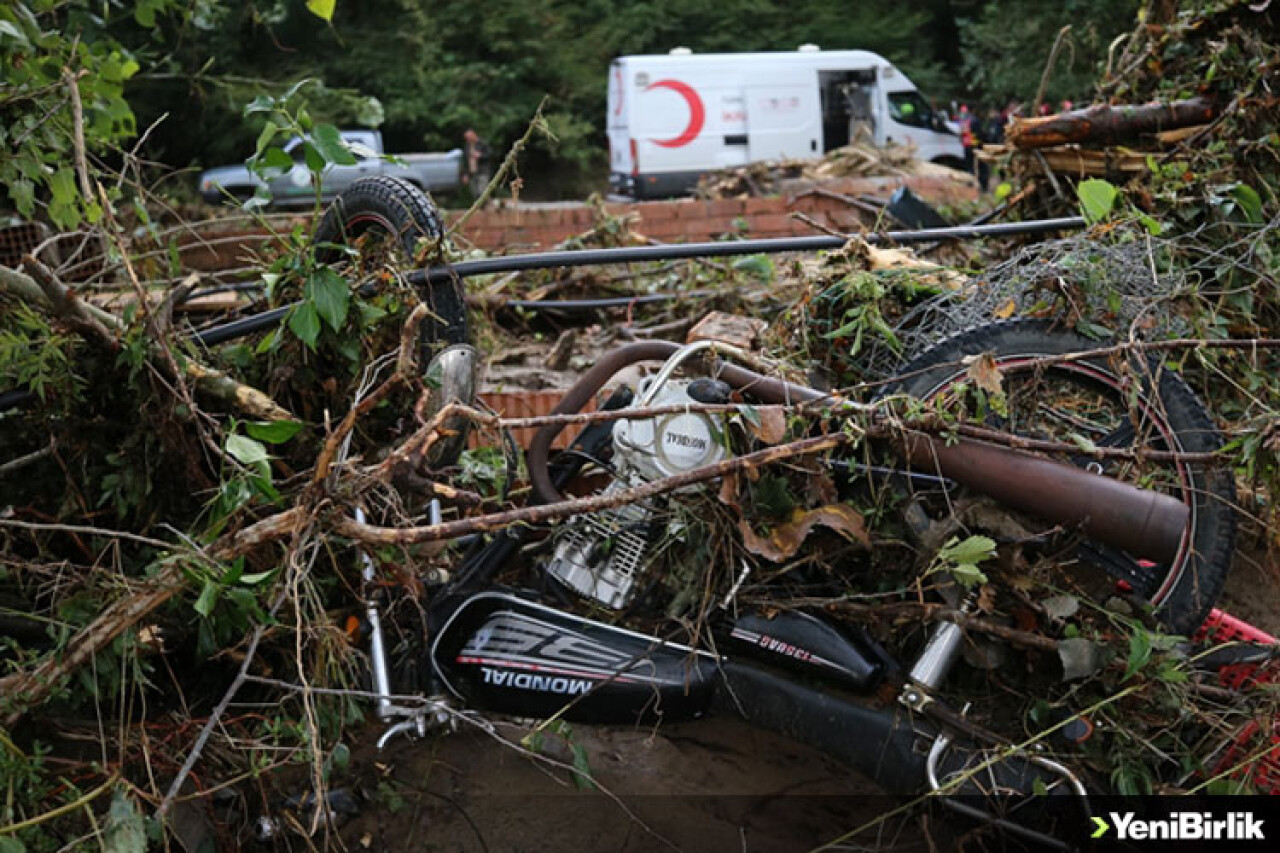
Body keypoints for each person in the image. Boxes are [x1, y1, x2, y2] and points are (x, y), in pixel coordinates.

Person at [462, 129, 491, 196]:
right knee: (475, 193)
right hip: (472, 173)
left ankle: (486, 205)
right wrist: (465, 174)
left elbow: (490, 154)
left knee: (482, 192)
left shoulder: (483, 143)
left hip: (482, 171)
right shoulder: (467, 146)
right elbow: (465, 161)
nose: (468, 140)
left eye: (469, 138)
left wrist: (480, 155)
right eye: (466, 138)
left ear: (474, 135)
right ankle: (483, 205)